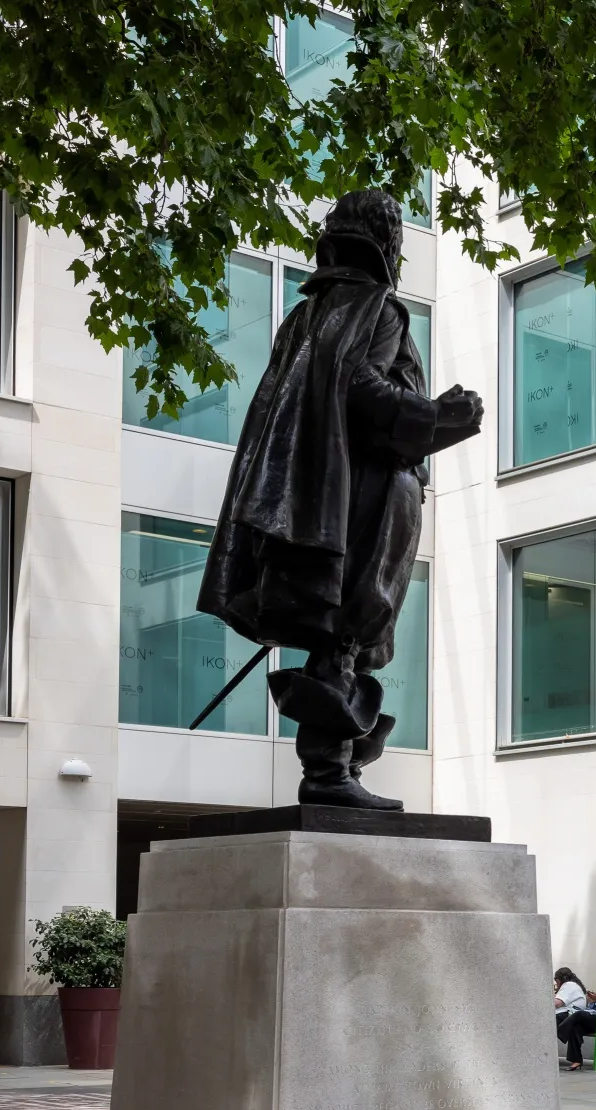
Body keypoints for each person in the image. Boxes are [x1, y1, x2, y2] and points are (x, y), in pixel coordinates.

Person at [198, 189, 484, 810]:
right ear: (389, 246)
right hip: (364, 500)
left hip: (320, 500)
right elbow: (362, 390)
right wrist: (437, 414)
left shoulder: (304, 317)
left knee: (344, 635)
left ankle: (338, 766)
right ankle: (329, 773)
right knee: (347, 631)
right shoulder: (378, 307)